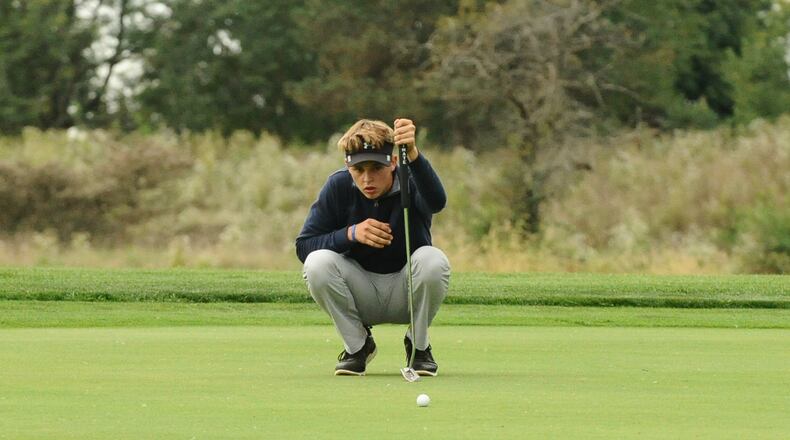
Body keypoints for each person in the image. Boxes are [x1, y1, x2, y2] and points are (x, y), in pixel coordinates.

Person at [295, 118, 450, 376]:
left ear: (392, 162)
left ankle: (418, 346)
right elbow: (304, 247)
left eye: (376, 168)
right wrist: (351, 234)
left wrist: (412, 154)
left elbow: (436, 202)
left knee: (432, 259)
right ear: (348, 166)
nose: (367, 179)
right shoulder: (338, 186)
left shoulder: (411, 179)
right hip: (359, 292)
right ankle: (357, 346)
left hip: (407, 291)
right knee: (317, 263)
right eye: (358, 169)